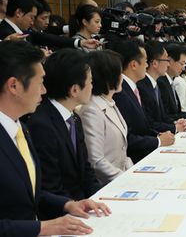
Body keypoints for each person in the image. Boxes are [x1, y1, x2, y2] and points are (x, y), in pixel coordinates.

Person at [0, 40, 110, 237]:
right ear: (14, 86)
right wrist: (42, 227)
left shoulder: (20, 128)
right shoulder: (36, 125)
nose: (44, 90)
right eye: (40, 82)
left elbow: (31, 193)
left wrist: (68, 204)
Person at [28, 49, 101, 202]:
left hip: (82, 203)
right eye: (91, 82)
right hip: (63, 211)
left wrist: (101, 198)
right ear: (74, 89)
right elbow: (51, 186)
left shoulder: (73, 117)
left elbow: (86, 170)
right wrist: (78, 207)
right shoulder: (42, 125)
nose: (92, 87)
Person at [112, 39, 175, 163]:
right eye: (146, 61)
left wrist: (159, 135)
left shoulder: (133, 88)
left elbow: (145, 125)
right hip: (134, 158)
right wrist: (158, 140)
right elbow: (127, 136)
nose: (147, 66)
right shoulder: (121, 92)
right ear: (134, 65)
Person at [78, 50, 133, 185]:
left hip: (122, 176)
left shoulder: (110, 103)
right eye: (119, 73)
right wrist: (126, 178)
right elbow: (96, 160)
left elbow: (122, 152)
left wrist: (133, 172)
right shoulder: (92, 110)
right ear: (109, 76)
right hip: (107, 183)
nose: (122, 77)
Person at [0, 0, 100, 49]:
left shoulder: (25, 32)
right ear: (19, 13)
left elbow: (50, 38)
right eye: (31, 17)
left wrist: (81, 43)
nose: (32, 22)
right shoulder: (4, 33)